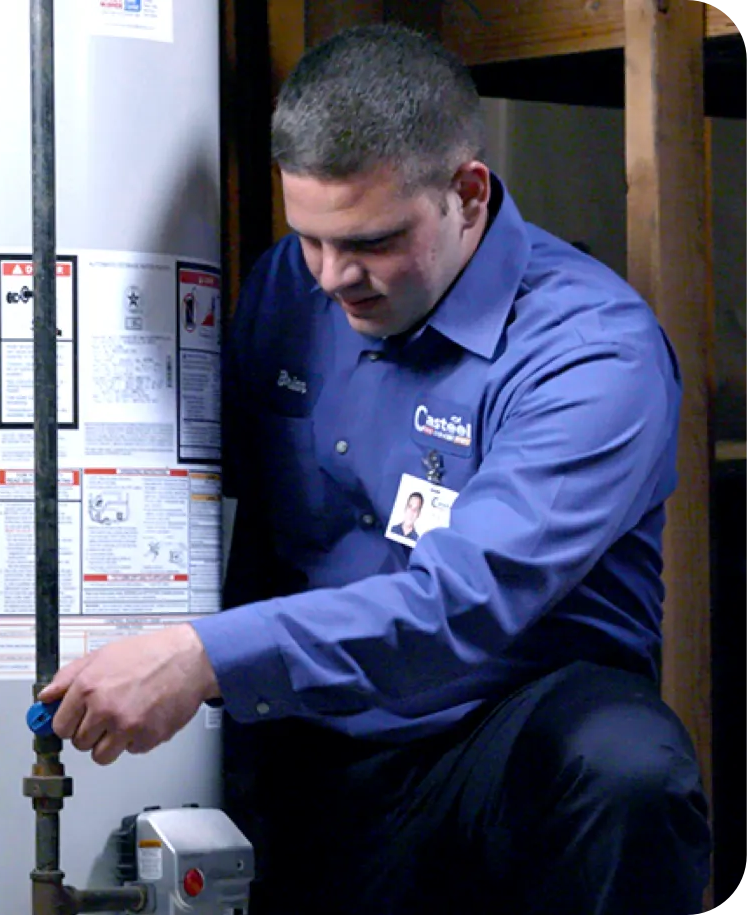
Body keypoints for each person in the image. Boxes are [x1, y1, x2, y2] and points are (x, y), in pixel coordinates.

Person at [39, 23, 712, 914]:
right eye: (311, 238)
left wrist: (202, 657)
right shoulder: (290, 288)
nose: (332, 277)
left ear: (469, 194)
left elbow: (460, 602)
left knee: (630, 766)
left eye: (372, 241)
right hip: (313, 745)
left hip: (495, 745)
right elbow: (225, 510)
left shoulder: (589, 354)